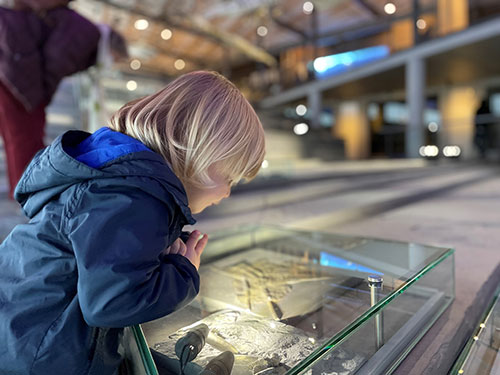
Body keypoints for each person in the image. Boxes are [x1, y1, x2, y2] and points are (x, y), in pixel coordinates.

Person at [0, 71, 266, 374]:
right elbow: (112, 302)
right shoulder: (133, 196)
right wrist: (183, 273)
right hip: (39, 358)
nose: (227, 193)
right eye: (230, 178)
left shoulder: (122, 179)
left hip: (22, 335)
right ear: (204, 155)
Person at [0, 0, 126, 199]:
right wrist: (42, 96)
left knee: (16, 137)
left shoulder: (85, 32)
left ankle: (21, 189)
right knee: (26, 138)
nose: (112, 62)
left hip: (12, 71)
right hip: (20, 76)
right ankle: (27, 192)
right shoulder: (87, 34)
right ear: (112, 47)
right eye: (116, 57)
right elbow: (54, 64)